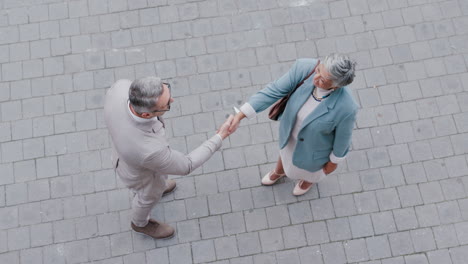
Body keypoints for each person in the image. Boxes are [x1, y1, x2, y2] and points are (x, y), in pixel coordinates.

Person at [104, 77, 233, 239]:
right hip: (141, 176)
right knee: (147, 197)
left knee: (159, 179)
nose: (172, 99)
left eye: (167, 89)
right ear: (146, 114)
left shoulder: (120, 88)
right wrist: (219, 137)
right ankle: (140, 223)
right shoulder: (149, 149)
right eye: (167, 104)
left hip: (123, 153)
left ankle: (161, 185)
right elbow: (186, 165)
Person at [229, 54, 358, 196]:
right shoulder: (304, 68)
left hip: (315, 150)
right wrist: (240, 116)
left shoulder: (347, 107)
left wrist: (332, 164)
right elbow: (273, 91)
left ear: (336, 85)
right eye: (318, 70)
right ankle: (279, 171)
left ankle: (307, 181)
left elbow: (343, 140)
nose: (315, 78)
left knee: (310, 172)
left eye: (323, 79)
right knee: (285, 154)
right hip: (290, 134)